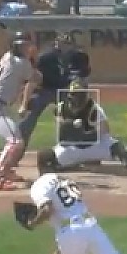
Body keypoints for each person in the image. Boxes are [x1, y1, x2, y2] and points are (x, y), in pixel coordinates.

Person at [37, 80, 127, 176]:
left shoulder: (94, 109)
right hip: (72, 148)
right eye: (74, 95)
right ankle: (73, 165)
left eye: (79, 95)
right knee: (46, 158)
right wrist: (71, 128)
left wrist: (86, 133)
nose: (76, 99)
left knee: (118, 148)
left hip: (94, 146)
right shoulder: (62, 108)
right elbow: (61, 132)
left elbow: (105, 130)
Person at [0, 32, 42, 191]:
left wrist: (30, 56)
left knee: (14, 141)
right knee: (15, 142)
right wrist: (33, 58)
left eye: (26, 45)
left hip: (1, 106)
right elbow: (36, 78)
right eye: (23, 46)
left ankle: (7, 171)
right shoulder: (21, 64)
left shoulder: (8, 57)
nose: (25, 48)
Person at [16, 32, 87, 163]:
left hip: (64, 90)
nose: (65, 47)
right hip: (43, 90)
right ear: (56, 44)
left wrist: (79, 101)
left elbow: (83, 80)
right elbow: (32, 81)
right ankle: (14, 155)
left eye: (68, 44)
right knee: (27, 121)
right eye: (62, 43)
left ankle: (74, 155)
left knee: (74, 120)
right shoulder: (45, 57)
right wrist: (24, 105)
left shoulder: (79, 57)